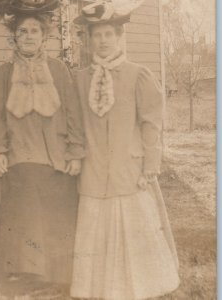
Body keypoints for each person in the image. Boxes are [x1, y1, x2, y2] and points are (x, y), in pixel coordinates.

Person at [70, 1, 180, 299]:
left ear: (119, 37)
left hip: (129, 173)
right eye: (97, 36)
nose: (103, 41)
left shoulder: (138, 75)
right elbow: (75, 124)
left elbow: (151, 125)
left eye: (108, 34)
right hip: (94, 175)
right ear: (89, 40)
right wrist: (76, 156)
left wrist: (150, 166)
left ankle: (139, 288)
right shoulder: (79, 80)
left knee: (134, 231)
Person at [0, 0, 85, 287]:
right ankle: (28, 286)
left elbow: (74, 113)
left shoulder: (60, 70)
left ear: (45, 36)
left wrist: (76, 152)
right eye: (23, 31)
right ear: (14, 36)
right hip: (22, 159)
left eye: (34, 31)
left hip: (58, 160)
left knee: (58, 223)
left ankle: (62, 284)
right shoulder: (2, 74)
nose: (28, 36)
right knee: (26, 226)